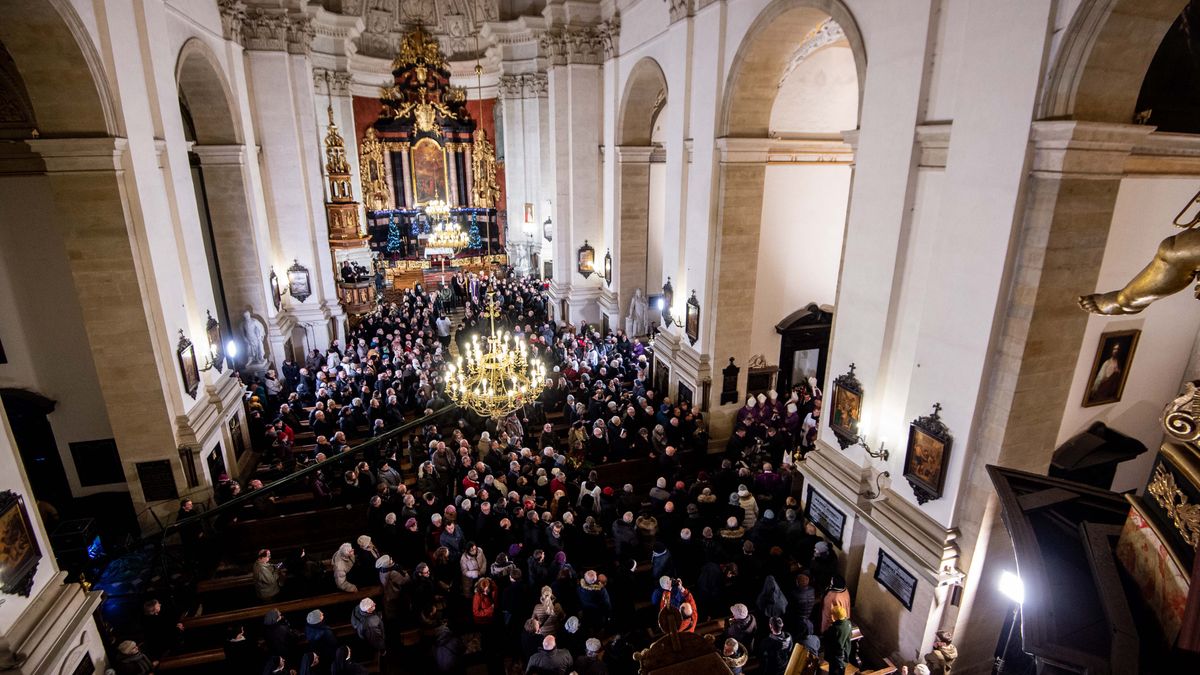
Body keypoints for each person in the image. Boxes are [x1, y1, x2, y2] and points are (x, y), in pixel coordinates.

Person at [821, 604, 853, 675]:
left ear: (836, 616)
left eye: (833, 614)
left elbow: (827, 638)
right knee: (841, 669)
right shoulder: (848, 623)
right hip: (845, 652)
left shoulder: (835, 628)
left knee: (834, 670)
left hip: (836, 656)